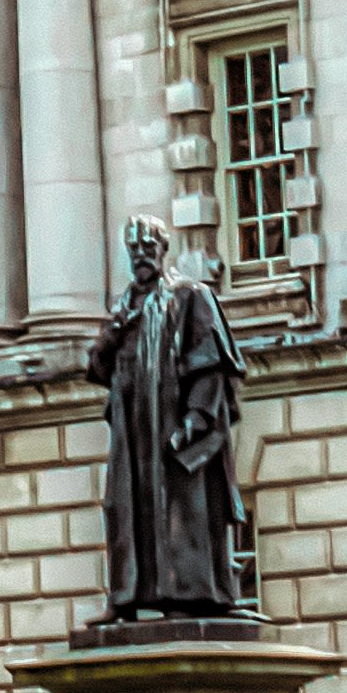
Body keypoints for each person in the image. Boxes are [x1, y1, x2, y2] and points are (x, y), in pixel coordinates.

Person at [91, 215, 248, 622]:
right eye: (134, 249)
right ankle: (126, 596)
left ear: (163, 250)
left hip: (172, 425)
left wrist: (196, 418)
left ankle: (187, 595)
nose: (141, 256)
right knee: (125, 507)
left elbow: (210, 363)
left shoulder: (189, 296)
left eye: (149, 247)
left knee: (182, 510)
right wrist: (110, 335)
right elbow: (98, 368)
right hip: (131, 427)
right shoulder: (123, 307)